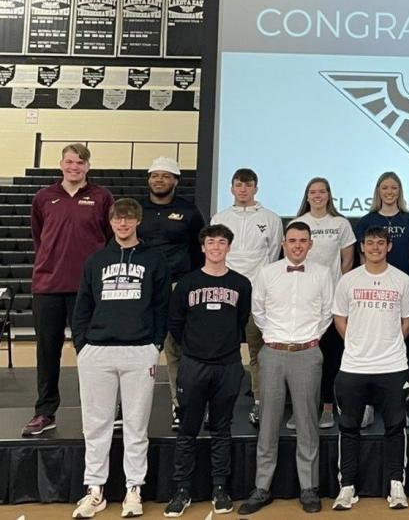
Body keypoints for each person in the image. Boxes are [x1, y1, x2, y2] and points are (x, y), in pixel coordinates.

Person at [70, 198, 170, 519]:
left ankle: (133, 489)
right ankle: (95, 490)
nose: (123, 224)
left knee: (136, 426)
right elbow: (82, 306)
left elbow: (161, 306)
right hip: (97, 351)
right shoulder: (96, 260)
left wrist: (154, 344)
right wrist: (82, 345)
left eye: (128, 219)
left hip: (139, 350)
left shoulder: (154, 259)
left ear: (138, 221)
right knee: (95, 425)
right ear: (111, 222)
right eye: (117, 219)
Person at [238, 222, 333, 515]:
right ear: (283, 243)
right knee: (268, 422)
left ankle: (309, 488)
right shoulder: (267, 274)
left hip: (307, 352)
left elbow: (327, 312)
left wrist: (309, 339)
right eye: (292, 240)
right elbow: (258, 312)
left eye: (303, 240)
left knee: (307, 422)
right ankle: (262, 487)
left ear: (310, 244)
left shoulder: (322, 273)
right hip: (273, 353)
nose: (297, 245)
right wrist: (276, 339)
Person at [24, 143, 113, 437]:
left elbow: (110, 238)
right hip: (48, 286)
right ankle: (45, 411)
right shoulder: (44, 197)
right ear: (61, 164)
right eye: (70, 162)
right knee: (47, 352)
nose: (74, 167)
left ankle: (97, 410)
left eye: (80, 163)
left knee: (90, 353)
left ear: (88, 166)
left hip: (86, 290)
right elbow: (40, 237)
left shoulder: (102, 197)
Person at [164, 225, 252, 517]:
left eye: (222, 242)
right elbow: (175, 323)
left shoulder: (241, 284)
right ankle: (182, 490)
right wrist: (194, 347)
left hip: (227, 366)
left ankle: (219, 488)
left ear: (229, 247)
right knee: (187, 430)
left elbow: (241, 321)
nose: (216, 246)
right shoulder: (187, 284)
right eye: (211, 242)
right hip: (194, 365)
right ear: (202, 247)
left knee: (221, 429)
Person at [331, 226, 409, 511]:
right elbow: (339, 318)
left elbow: (407, 321)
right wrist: (356, 344)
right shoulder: (348, 280)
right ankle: (347, 487)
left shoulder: (402, 280)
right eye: (370, 243)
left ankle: (396, 485)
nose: (376, 247)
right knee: (348, 427)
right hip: (354, 366)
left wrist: (387, 345)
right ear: (362, 248)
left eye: (381, 243)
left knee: (394, 427)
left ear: (389, 247)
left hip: (392, 366)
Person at [210, 168, 283, 427]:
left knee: (257, 351)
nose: (243, 189)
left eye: (248, 185)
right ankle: (217, 402)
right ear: (231, 188)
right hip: (226, 294)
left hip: (257, 295)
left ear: (256, 188)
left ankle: (260, 403)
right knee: (220, 350)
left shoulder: (270, 219)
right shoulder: (220, 217)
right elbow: (216, 254)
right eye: (239, 185)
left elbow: (273, 255)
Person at [138, 156, 205, 430]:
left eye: (166, 176)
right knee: (137, 349)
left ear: (176, 181)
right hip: (141, 287)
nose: (159, 180)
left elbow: (199, 250)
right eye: (155, 175)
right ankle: (128, 406)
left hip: (178, 287)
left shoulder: (189, 211)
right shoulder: (137, 209)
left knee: (176, 348)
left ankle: (181, 405)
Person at [292, 177, 355, 430]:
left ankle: (328, 407)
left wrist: (335, 290)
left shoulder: (340, 223)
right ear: (307, 196)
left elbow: (348, 262)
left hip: (333, 300)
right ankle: (301, 409)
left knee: (331, 356)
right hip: (304, 300)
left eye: (322, 191)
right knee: (303, 358)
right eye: (313, 192)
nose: (317, 195)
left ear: (329, 195)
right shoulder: (300, 224)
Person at [354, 172, 409, 397]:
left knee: (405, 343)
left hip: (402, 288)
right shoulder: (367, 220)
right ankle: (370, 401)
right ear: (378, 191)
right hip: (373, 291)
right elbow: (364, 257)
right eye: (385, 188)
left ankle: (403, 399)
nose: (389, 192)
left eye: (394, 188)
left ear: (399, 191)